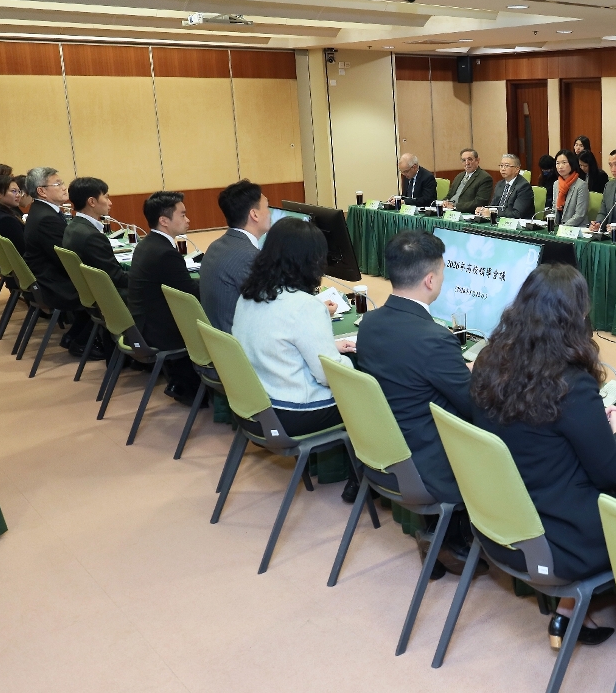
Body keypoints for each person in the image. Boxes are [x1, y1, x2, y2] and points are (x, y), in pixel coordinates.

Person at [470, 264, 616, 647]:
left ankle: (568, 610)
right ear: (576, 318)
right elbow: (612, 473)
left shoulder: (488, 362)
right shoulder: (571, 385)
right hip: (554, 540)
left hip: (497, 524)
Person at [356, 230, 479, 575]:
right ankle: (453, 539)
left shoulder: (369, 322)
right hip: (426, 466)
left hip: (380, 452)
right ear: (430, 280)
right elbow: (474, 406)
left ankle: (445, 537)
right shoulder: (435, 339)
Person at [233, 218, 355, 489]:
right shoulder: (305, 306)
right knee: (370, 395)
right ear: (311, 261)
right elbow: (328, 376)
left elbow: (274, 343)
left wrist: (327, 347)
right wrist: (352, 366)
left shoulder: (250, 293)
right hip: (292, 413)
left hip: (254, 408)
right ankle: (365, 482)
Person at [128, 191, 202, 402]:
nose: (188, 220)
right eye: (182, 215)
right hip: (156, 331)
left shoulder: (148, 243)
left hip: (141, 323)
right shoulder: (165, 253)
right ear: (164, 221)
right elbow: (192, 294)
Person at [23, 167, 92, 354]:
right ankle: (81, 342)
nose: (64, 187)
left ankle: (73, 337)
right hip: (54, 284)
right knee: (104, 289)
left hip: (47, 277)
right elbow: (67, 258)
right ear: (42, 191)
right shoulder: (46, 218)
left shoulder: (41, 210)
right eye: (58, 184)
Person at [200, 180, 271, 332]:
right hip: (238, 340)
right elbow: (271, 307)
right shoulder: (249, 256)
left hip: (218, 338)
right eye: (267, 207)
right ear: (254, 214)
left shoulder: (215, 246)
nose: (270, 212)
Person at [63, 177, 126, 293]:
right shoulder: (92, 237)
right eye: (106, 197)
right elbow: (117, 278)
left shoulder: (72, 227)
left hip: (90, 291)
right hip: (108, 295)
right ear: (92, 202)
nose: (110, 203)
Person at [476, 154, 535, 220]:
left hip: (518, 223)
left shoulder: (524, 187)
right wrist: (483, 210)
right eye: (501, 165)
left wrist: (494, 213)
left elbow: (517, 213)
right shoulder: (499, 184)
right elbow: (493, 206)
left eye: (506, 166)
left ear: (517, 169)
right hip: (500, 220)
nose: (503, 169)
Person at [442, 148, 494, 215]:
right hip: (449, 211)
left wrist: (455, 206)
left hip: (466, 213)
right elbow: (449, 195)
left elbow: (480, 202)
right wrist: (444, 202)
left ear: (477, 160)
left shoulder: (485, 178)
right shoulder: (459, 176)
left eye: (470, 159)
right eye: (464, 160)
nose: (467, 163)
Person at [552, 149, 588, 227]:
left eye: (564, 163)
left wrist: (563, 228)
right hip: (558, 227)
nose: (560, 167)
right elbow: (554, 208)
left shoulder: (581, 185)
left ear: (572, 163)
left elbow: (580, 215)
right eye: (557, 163)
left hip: (576, 228)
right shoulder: (556, 184)